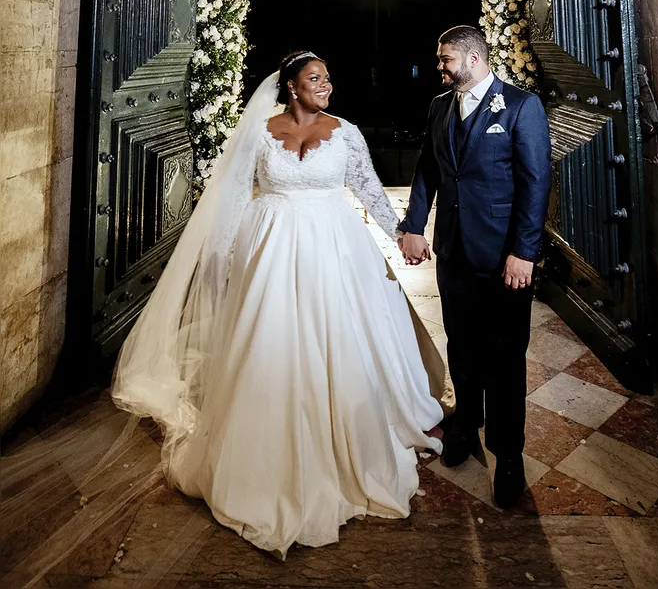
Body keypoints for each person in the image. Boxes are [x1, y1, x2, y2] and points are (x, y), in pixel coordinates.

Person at [112, 51, 442, 558]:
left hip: (335, 250)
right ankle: (258, 455)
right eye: (315, 79)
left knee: (337, 339)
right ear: (291, 86)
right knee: (270, 343)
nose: (325, 85)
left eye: (328, 78)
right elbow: (234, 199)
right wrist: (221, 260)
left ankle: (348, 439)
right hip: (269, 252)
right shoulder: (260, 133)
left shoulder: (347, 132)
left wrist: (403, 233)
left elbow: (369, 189)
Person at [397, 25, 551, 507]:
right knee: (461, 343)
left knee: (505, 356)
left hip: (505, 259)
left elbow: (535, 182)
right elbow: (428, 169)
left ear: (474, 57)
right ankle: (466, 420)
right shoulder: (439, 107)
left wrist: (524, 252)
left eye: (446, 60)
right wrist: (414, 225)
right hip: (454, 253)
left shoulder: (522, 107)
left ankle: (508, 456)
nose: (439, 67)